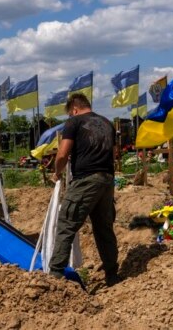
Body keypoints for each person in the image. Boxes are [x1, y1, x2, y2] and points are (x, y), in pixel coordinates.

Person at [49, 93, 122, 287]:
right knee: (103, 228)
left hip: (85, 179)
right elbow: (114, 153)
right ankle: (112, 274)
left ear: (74, 109)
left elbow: (63, 154)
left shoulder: (74, 123)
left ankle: (55, 276)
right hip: (107, 180)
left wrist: (57, 173)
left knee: (66, 224)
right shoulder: (107, 123)